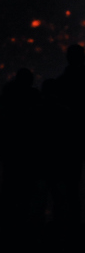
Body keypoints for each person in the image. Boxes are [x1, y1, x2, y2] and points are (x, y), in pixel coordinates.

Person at [42, 44, 85, 231]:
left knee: (72, 182)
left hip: (69, 140)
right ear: (84, 58)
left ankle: (73, 222)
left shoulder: (60, 83)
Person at [0, 68, 46, 233]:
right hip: (28, 150)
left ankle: (9, 221)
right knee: (27, 186)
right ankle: (25, 222)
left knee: (10, 184)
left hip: (11, 148)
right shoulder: (34, 98)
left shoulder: (7, 97)